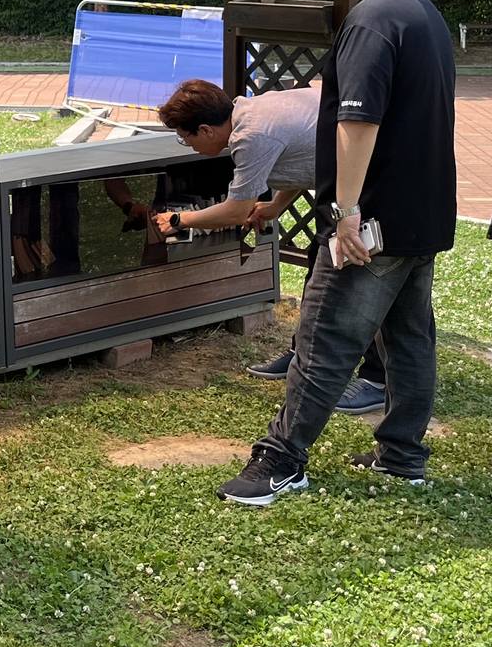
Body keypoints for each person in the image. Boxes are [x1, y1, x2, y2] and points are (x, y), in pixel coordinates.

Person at [219, 0, 457, 506]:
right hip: (421, 215)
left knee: (324, 339)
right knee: (408, 338)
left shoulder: (373, 20)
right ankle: (402, 455)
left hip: (370, 222)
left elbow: (358, 122)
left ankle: (281, 461)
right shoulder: (424, 14)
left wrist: (346, 213)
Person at [156, 79, 386, 415]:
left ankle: (378, 381)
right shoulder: (252, 109)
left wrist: (180, 220)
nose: (187, 146)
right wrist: (276, 206)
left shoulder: (250, 136)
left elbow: (236, 211)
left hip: (371, 184)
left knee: (371, 282)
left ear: (205, 130)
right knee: (321, 270)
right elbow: (305, 154)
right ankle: (303, 356)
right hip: (344, 184)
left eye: (185, 138)